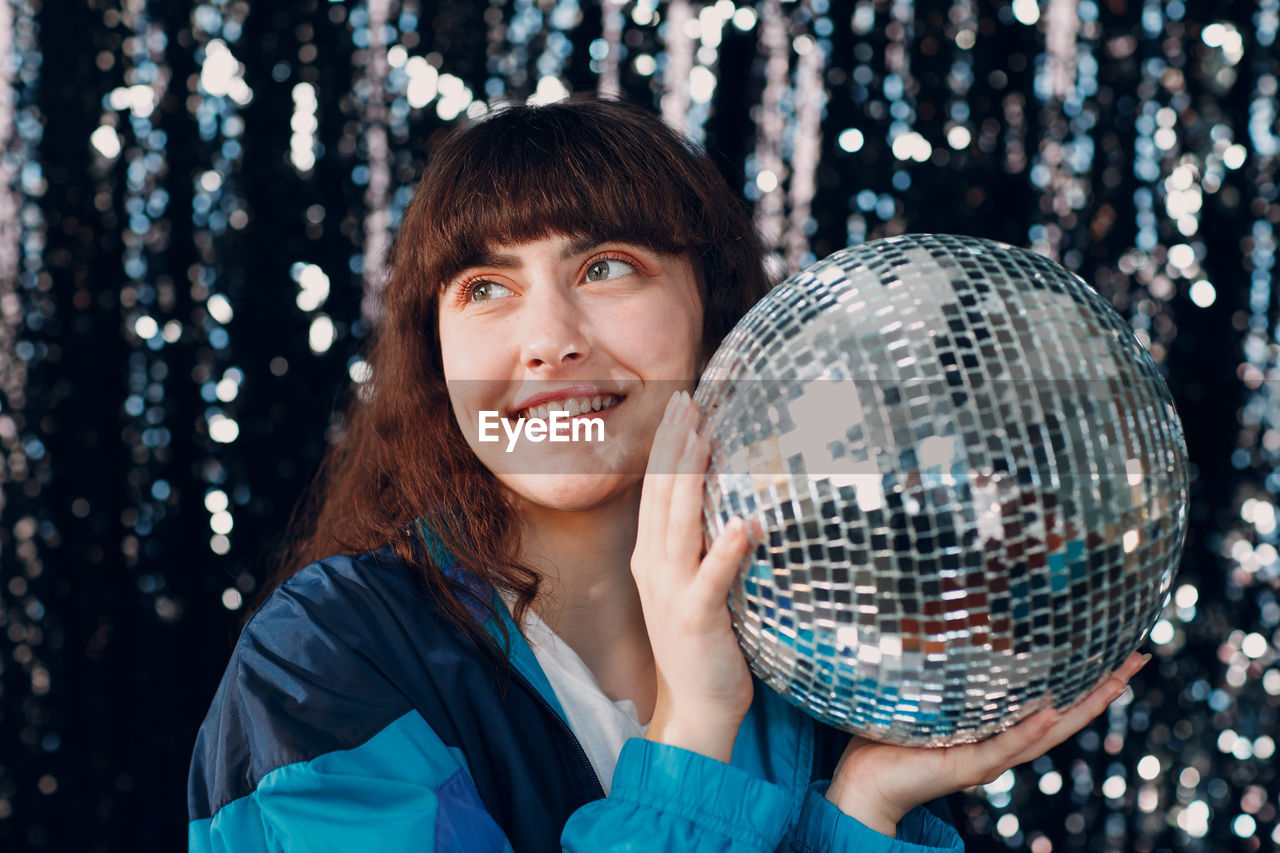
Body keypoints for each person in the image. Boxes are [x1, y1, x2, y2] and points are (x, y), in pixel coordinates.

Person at [187, 97, 1147, 852]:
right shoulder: (324, 661)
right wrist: (692, 727)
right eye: (486, 288)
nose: (548, 341)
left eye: (606, 267)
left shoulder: (827, 654)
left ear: (718, 316)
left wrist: (859, 808)